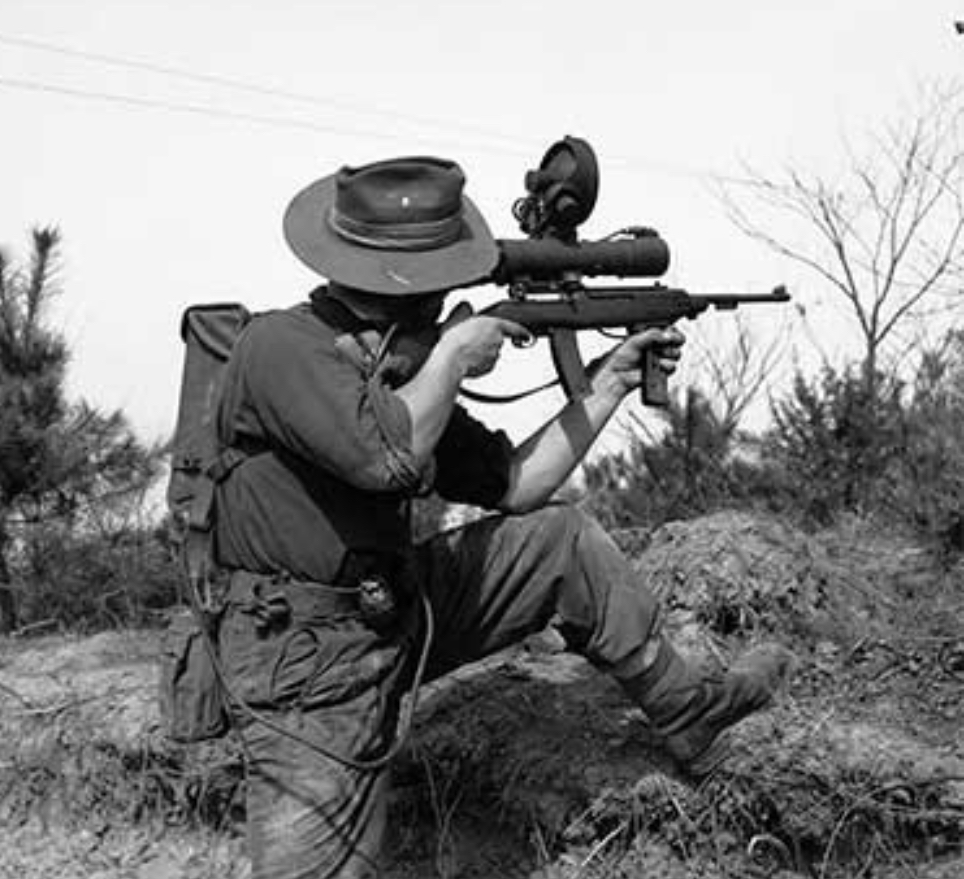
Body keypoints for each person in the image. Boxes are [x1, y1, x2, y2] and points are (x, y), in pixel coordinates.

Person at [209, 156, 792, 879]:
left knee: (560, 539)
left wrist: (608, 383)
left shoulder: (398, 376)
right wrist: (453, 354)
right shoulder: (279, 347)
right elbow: (385, 460)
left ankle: (686, 711)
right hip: (302, 661)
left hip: (392, 610)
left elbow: (517, 484)